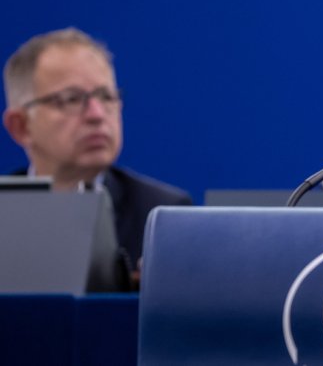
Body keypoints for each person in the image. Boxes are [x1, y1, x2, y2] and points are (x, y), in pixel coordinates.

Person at [3, 28, 192, 270]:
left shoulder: (162, 214)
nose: (97, 114)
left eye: (105, 96)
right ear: (21, 127)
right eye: (71, 99)